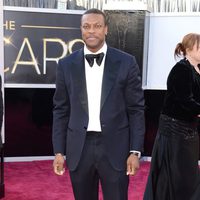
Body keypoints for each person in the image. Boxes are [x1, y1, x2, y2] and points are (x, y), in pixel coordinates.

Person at [52, 8, 145, 200]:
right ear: (81, 30)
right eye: (86, 26)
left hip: (115, 148)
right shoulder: (66, 64)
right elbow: (61, 110)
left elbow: (136, 109)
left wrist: (135, 150)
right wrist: (59, 151)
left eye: (97, 26)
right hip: (79, 147)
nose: (91, 31)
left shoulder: (126, 62)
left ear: (106, 29)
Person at [143, 33, 200, 200]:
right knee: (175, 174)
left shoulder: (196, 68)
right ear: (189, 49)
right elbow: (185, 101)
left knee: (188, 173)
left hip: (190, 129)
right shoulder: (181, 70)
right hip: (175, 131)